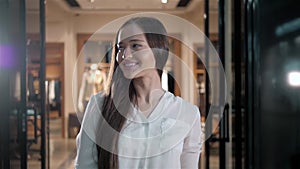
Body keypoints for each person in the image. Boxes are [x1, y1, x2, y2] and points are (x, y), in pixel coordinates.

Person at [75, 17, 203, 169]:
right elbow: (84, 165)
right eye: (121, 47)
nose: (125, 54)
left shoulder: (188, 113)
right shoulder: (100, 105)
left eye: (135, 45)